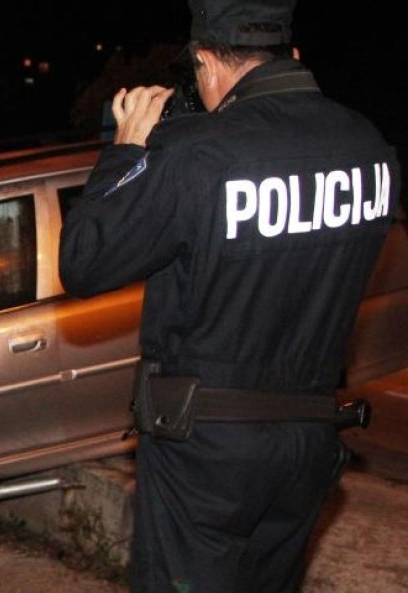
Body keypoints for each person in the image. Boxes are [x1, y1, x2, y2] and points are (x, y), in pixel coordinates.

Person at [58, 0, 401, 591]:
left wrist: (126, 151)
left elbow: (84, 262)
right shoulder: (368, 145)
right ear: (292, 55)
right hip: (310, 439)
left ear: (207, 62)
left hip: (207, 451)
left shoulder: (199, 154)